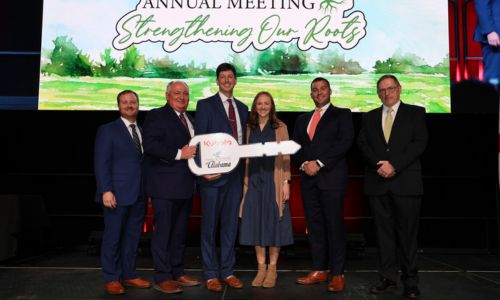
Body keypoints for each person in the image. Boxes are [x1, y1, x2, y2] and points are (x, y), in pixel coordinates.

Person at [357, 75, 428, 299]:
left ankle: (411, 282)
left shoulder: (416, 113)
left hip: (406, 184)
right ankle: (388, 278)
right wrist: (379, 164)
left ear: (399, 88)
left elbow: (420, 143)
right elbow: (362, 144)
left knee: (407, 236)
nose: (386, 93)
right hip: (378, 184)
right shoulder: (369, 117)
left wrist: (394, 165)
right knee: (383, 235)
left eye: (390, 88)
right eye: (381, 90)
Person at [292, 77, 354, 293]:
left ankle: (338, 273)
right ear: (311, 94)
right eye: (315, 90)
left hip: (331, 179)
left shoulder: (342, 114)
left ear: (330, 91)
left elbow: (344, 143)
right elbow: (296, 146)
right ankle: (320, 269)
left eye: (322, 88)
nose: (319, 92)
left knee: (334, 226)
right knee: (315, 226)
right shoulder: (302, 119)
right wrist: (304, 164)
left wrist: (318, 163)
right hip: (308, 181)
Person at [194, 63, 249, 292]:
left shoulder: (244, 108)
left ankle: (227, 271)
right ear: (217, 81)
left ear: (235, 80)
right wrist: (203, 170)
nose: (226, 80)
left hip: (235, 176)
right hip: (212, 176)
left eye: (230, 77)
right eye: (222, 77)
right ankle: (210, 274)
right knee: (209, 227)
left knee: (230, 227)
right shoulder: (205, 105)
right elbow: (199, 139)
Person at [142, 81, 200, 294]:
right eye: (177, 93)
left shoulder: (191, 120)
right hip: (163, 187)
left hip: (186, 186)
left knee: (178, 233)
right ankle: (163, 276)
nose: (182, 97)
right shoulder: (157, 115)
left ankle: (177, 272)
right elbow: (150, 145)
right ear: (167, 95)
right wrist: (178, 153)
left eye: (185, 93)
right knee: (163, 233)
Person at [94, 90, 151, 295]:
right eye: (125, 102)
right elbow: (101, 163)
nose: (129, 105)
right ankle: (112, 277)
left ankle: (129, 274)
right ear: (118, 106)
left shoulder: (143, 130)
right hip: (115, 195)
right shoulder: (108, 130)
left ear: (138, 104)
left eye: (133, 102)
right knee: (113, 237)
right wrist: (106, 190)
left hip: (138, 194)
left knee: (132, 237)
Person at [238, 91, 294, 288]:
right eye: (259, 103)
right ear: (255, 106)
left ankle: (272, 269)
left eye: (266, 103)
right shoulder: (247, 128)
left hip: (273, 181)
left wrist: (286, 182)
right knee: (255, 223)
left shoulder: (280, 127)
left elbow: (286, 156)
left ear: (272, 106)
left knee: (274, 225)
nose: (262, 107)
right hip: (253, 181)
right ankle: (261, 268)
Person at [474, 0, 500, 84]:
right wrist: (489, 31)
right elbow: (481, 4)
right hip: (496, 32)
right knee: (494, 75)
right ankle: (493, 97)